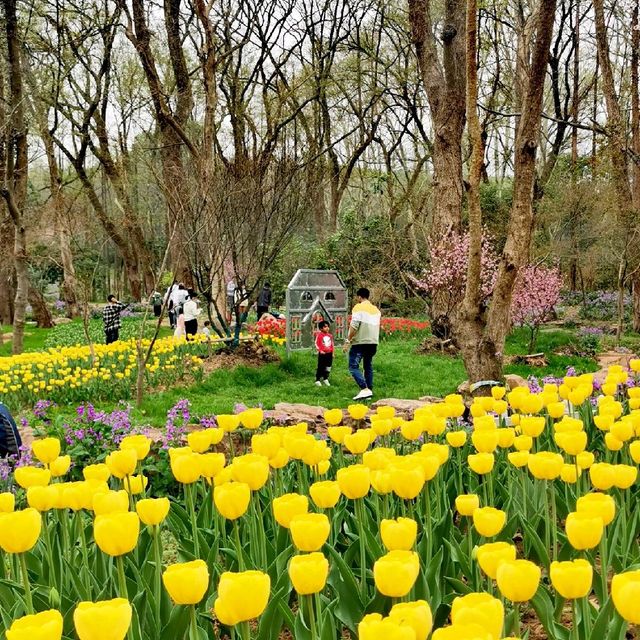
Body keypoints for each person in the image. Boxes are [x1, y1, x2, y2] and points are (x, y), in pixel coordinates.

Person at [343, 287, 380, 400]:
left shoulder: (358, 307)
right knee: (367, 366)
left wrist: (348, 340)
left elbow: (354, 326)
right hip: (373, 342)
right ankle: (369, 392)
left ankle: (364, 389)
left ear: (359, 297)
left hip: (360, 342)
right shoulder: (376, 310)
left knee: (353, 366)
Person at [315, 320, 334, 387]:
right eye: (325, 327)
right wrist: (320, 350)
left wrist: (333, 353)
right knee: (321, 366)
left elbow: (332, 345)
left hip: (329, 354)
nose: (327, 328)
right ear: (321, 328)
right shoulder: (319, 335)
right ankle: (317, 380)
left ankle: (326, 378)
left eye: (328, 326)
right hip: (323, 354)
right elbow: (316, 344)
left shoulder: (330, 336)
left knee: (328, 366)